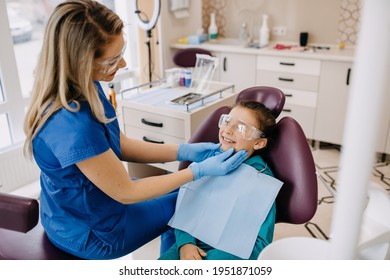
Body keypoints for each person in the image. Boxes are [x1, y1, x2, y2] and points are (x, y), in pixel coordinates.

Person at [23, 0, 247, 260]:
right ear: (81, 62)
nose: (125, 64)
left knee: (185, 192)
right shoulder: (72, 123)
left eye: (122, 52)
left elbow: (119, 143)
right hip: (92, 232)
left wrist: (184, 150)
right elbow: (126, 192)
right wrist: (197, 172)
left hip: (72, 210)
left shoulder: (85, 86)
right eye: (113, 60)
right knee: (193, 199)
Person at [159, 100, 278, 260]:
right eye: (227, 121)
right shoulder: (208, 163)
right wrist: (185, 243)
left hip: (230, 255)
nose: (228, 130)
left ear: (258, 142)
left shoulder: (262, 181)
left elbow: (259, 245)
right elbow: (187, 208)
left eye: (241, 127)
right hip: (188, 246)